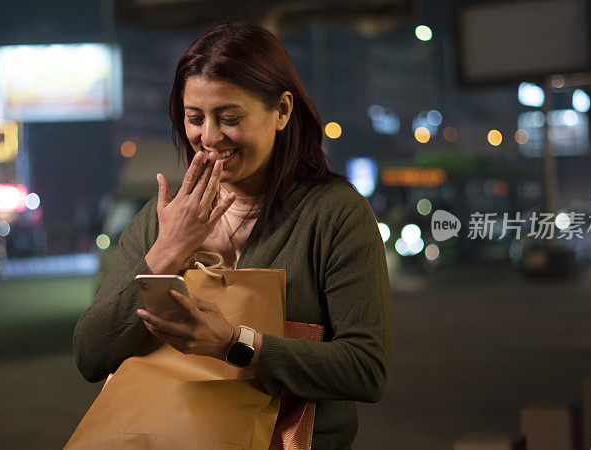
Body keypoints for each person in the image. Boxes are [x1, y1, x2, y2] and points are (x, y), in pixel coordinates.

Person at [73, 20, 391, 449]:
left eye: (229, 117)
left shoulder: (335, 214)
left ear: (281, 111)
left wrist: (234, 344)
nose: (208, 137)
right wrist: (167, 251)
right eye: (194, 118)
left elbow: (365, 369)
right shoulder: (160, 218)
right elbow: (91, 354)